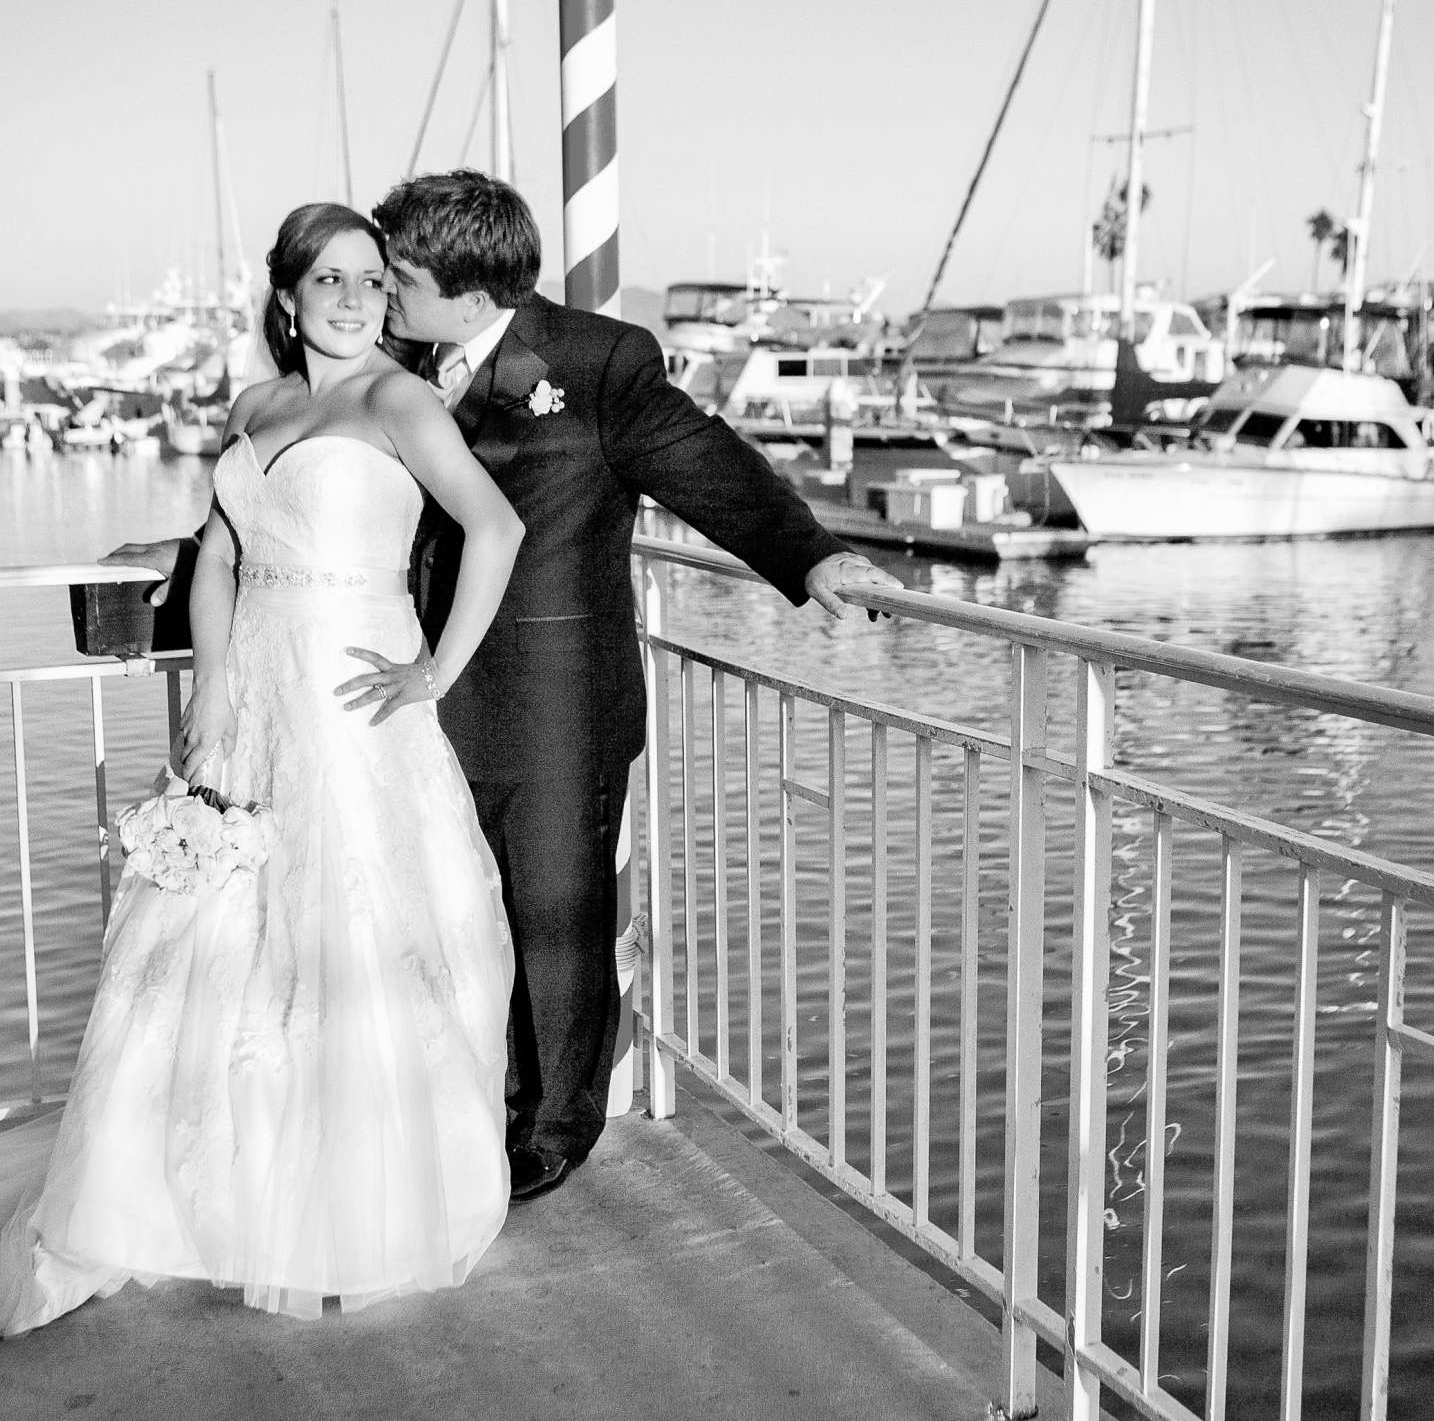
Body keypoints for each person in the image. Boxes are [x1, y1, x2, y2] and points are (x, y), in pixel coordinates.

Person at [0, 203, 526, 1342]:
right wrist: (220, 687)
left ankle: (350, 1199)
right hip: (257, 706)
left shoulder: (400, 400)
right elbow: (228, 554)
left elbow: (496, 529)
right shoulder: (258, 407)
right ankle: (210, 1188)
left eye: (369, 278)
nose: (350, 297)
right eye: (326, 279)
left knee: (348, 942)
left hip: (352, 709)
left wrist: (434, 673)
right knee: (220, 950)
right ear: (284, 296)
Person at [109, 170, 900, 1203]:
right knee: (448, 916)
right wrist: (182, 561)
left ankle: (554, 1129)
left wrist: (812, 558)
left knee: (550, 919)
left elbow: (708, 464)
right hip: (393, 700)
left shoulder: (596, 363)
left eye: (397, 278)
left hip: (550, 700)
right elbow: (335, 507)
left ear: (470, 294)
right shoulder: (399, 365)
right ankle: (459, 1100)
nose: (378, 296)